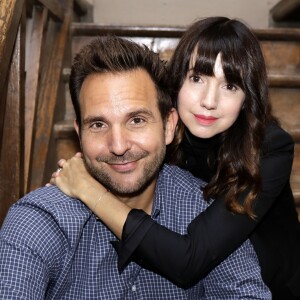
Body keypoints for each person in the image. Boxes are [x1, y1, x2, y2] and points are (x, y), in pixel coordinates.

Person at [0, 36, 270, 299]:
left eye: (137, 120)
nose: (118, 146)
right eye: (98, 124)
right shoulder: (39, 221)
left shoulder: (206, 209)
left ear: (168, 126)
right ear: (79, 134)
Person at [50, 17, 300, 299]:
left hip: (270, 288)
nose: (209, 101)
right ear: (177, 81)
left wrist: (88, 189)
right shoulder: (163, 135)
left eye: (230, 86)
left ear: (247, 99)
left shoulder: (270, 147)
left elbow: (189, 258)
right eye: (197, 78)